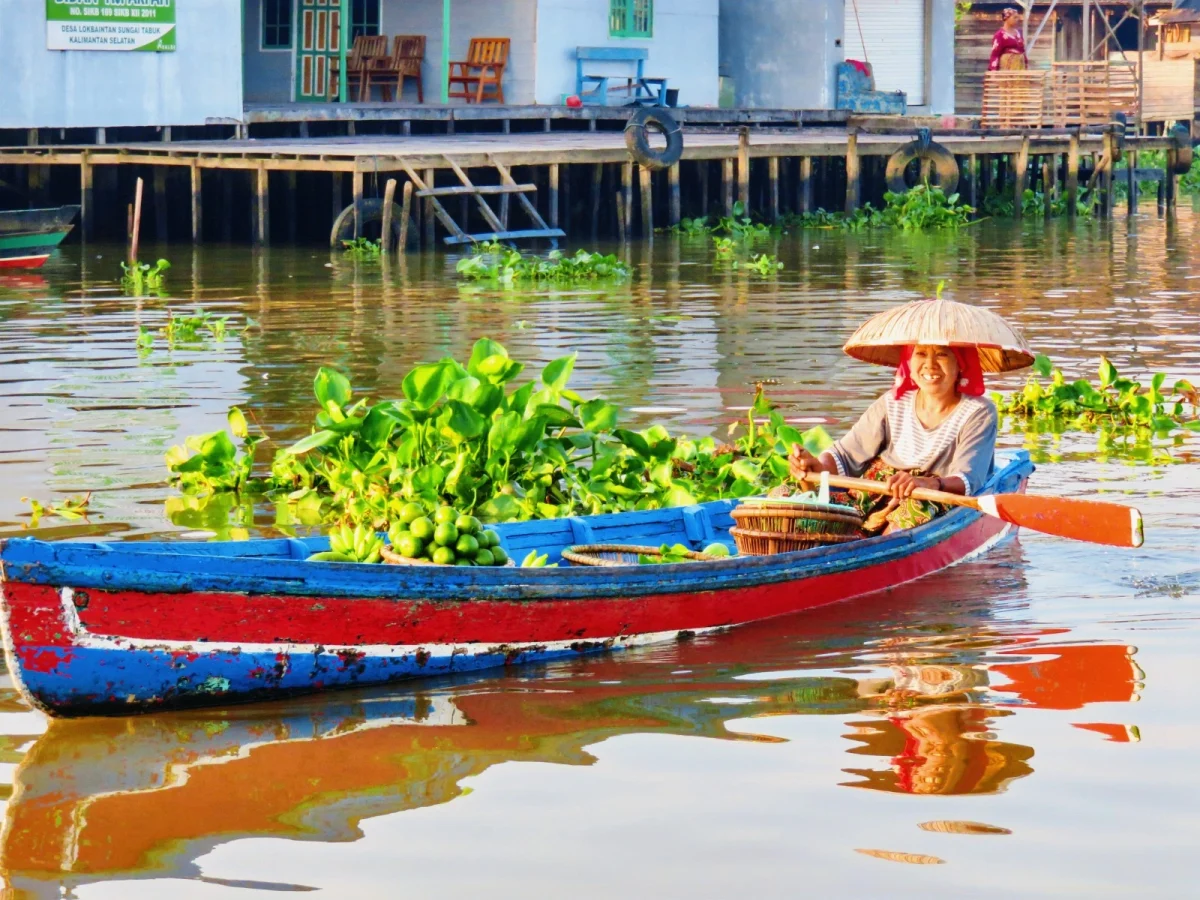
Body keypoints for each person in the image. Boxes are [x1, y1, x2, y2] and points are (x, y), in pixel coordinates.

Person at [787, 297, 1034, 536]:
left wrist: (930, 484)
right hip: (877, 492)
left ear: (961, 363)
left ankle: (878, 547)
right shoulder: (892, 402)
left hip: (929, 498)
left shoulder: (978, 412)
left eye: (942, 354)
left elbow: (969, 479)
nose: (930, 365)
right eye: (921, 354)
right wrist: (817, 467)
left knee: (915, 511)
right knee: (786, 493)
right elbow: (844, 455)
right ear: (908, 361)